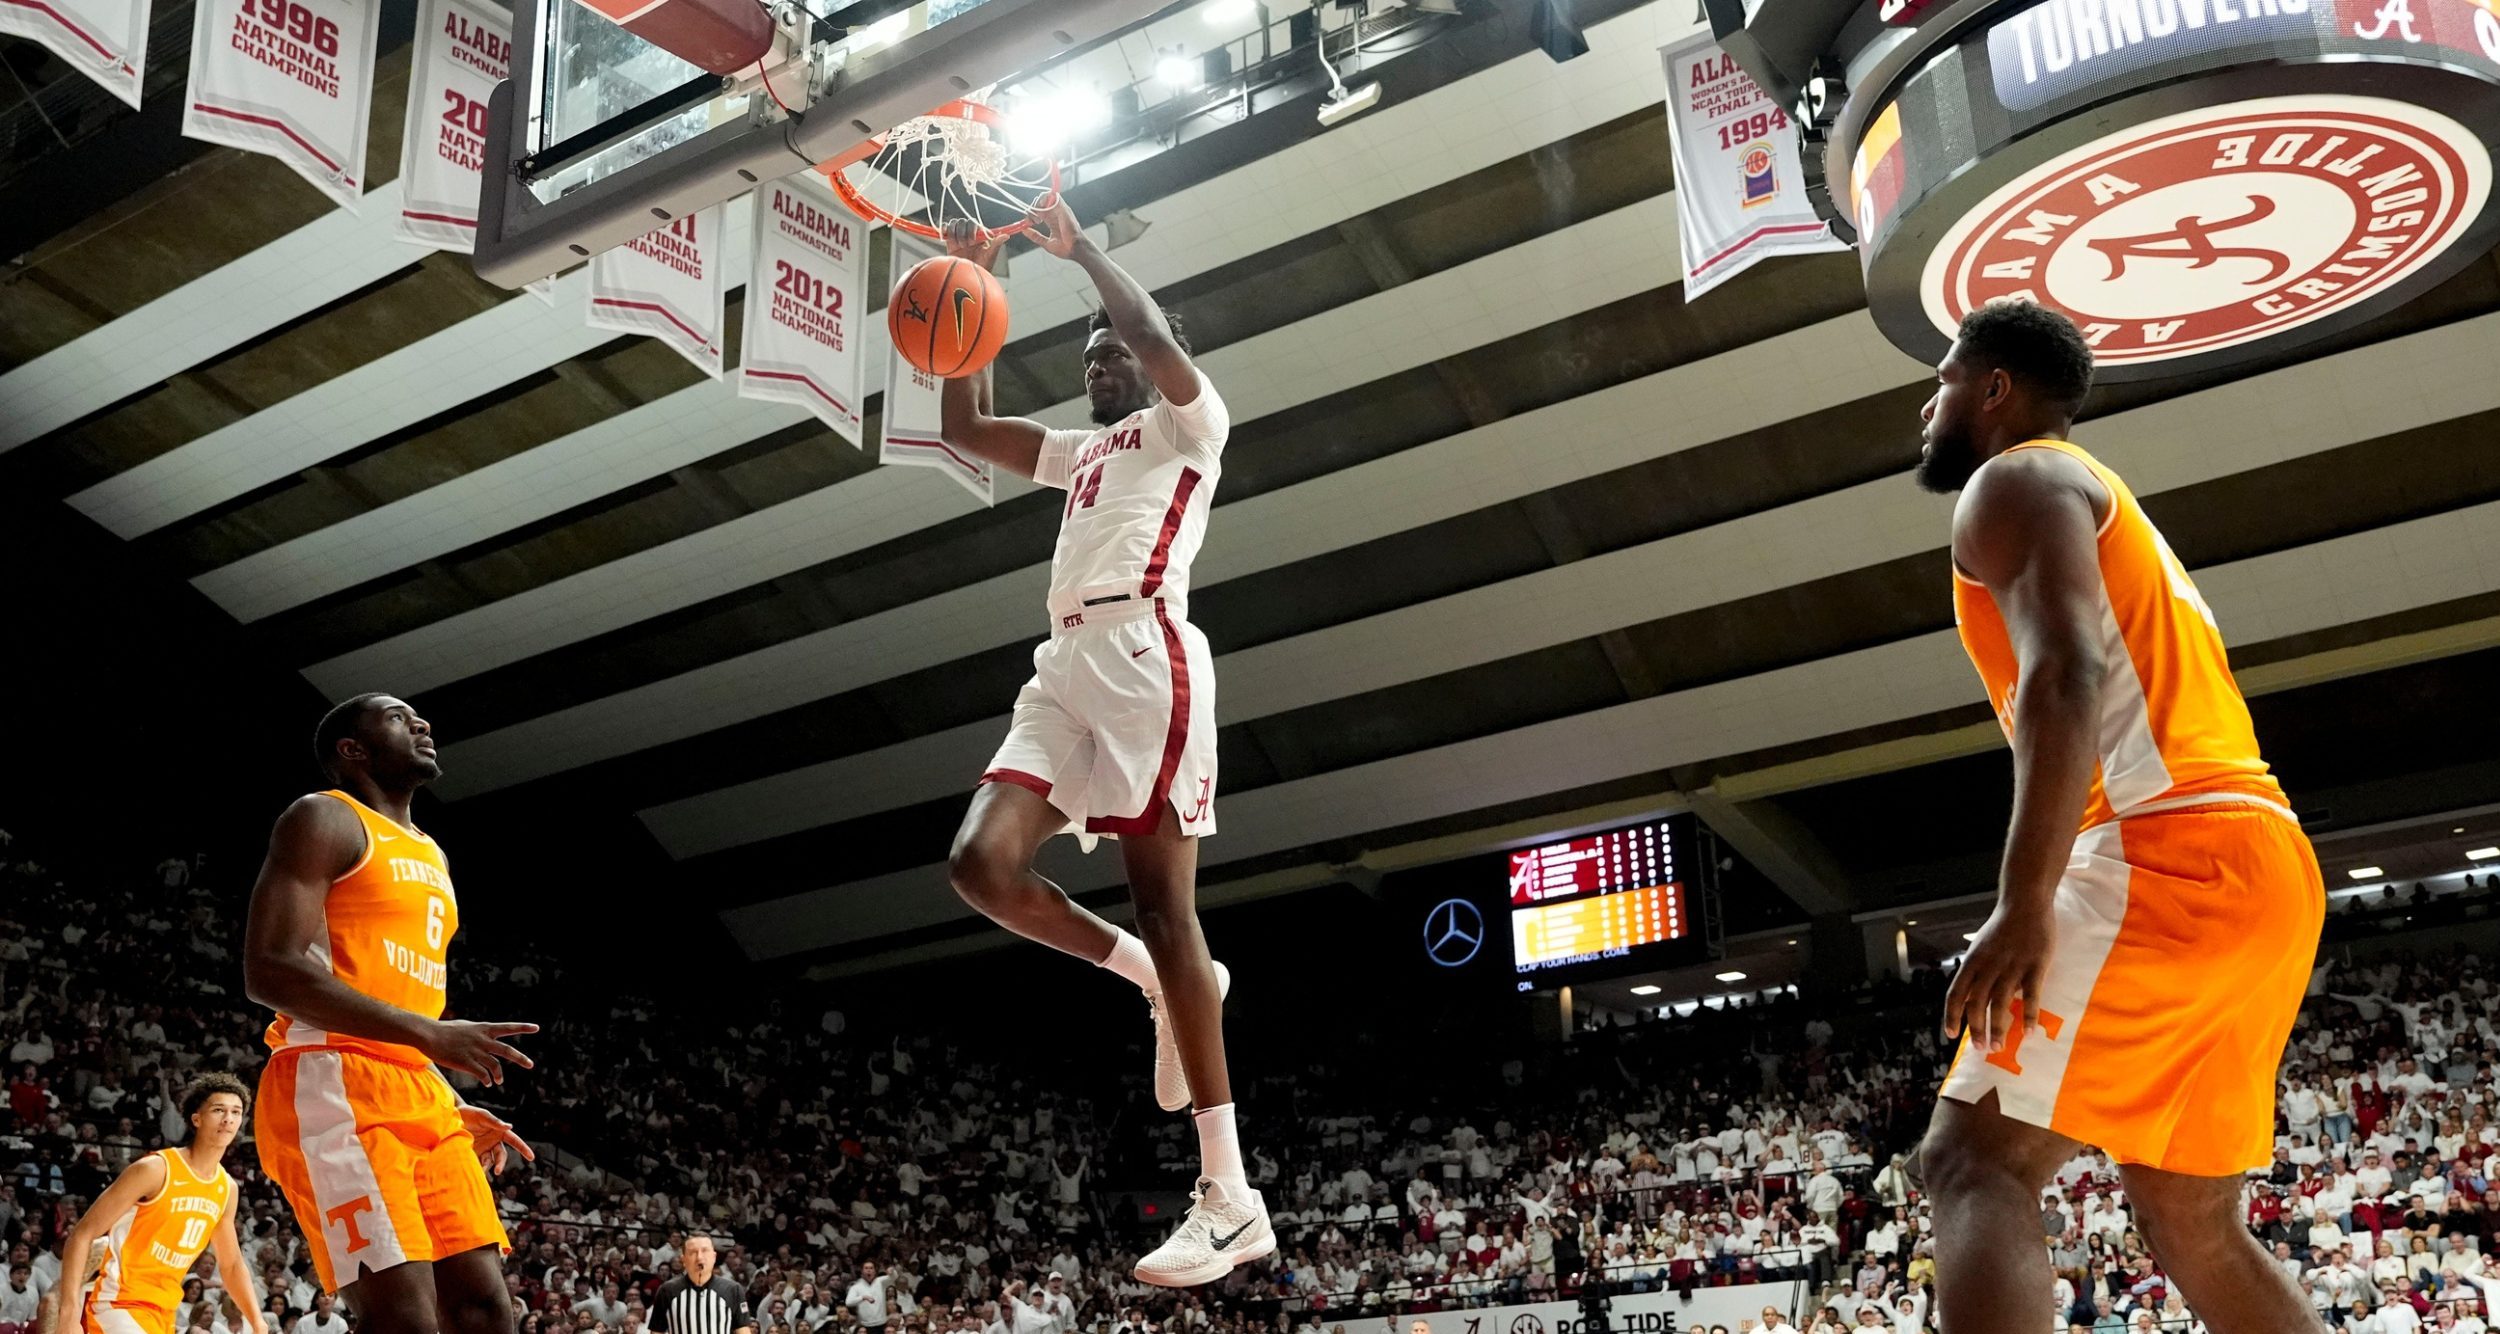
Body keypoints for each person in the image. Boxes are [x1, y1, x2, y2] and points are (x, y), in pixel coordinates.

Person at [1907, 301, 2325, 1334]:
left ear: (1993, 387)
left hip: (2163, 845)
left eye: (1944, 381)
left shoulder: (2017, 477)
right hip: (2262, 855)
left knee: (1972, 1160)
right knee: (2192, 1217)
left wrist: (2024, 899)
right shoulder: (2104, 500)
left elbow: (2066, 677)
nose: (1926, 406)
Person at [935, 198, 1265, 1287]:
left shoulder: (1189, 424)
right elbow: (966, 431)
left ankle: (1228, 1193)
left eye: (1111, 349)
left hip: (1146, 652)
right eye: (1088, 356)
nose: (1099, 363)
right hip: (1064, 665)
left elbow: (1161, 340)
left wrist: (1080, 257)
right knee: (980, 865)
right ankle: (1152, 982)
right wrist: (963, 298)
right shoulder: (1083, 449)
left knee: (1166, 902)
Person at [242, 694, 540, 1334]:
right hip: (331, 1079)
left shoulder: (433, 853)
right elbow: (268, 969)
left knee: (485, 1310)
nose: (424, 724)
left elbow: (398, 992)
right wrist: (430, 1037)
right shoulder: (325, 818)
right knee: (404, 1319)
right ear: (353, 750)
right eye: (399, 719)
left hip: (416, 1090)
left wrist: (437, 1085)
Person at [47, 1074, 264, 1334]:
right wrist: (69, 1315)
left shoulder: (226, 1188)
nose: (228, 1118)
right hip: (119, 1304)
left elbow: (230, 1264)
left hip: (163, 1313)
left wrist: (257, 1320)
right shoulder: (156, 1169)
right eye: (219, 1110)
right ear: (197, 1119)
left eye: (236, 1112)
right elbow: (82, 1234)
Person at [649, 1235, 753, 1334]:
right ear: (683, 1259)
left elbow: (742, 1330)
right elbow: (657, 1331)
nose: (699, 1257)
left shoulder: (733, 1289)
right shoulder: (667, 1290)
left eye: (705, 1251)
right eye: (693, 1252)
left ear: (714, 1257)